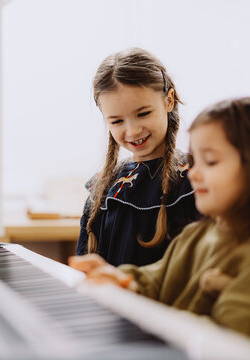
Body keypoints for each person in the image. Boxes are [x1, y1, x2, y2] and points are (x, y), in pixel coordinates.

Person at [70, 97, 250, 359]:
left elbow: (234, 345)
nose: (193, 173)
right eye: (195, 160)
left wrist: (153, 320)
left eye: (212, 162)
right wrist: (127, 282)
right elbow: (157, 280)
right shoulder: (199, 235)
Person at [76, 47, 200, 267]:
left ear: (169, 100)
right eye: (116, 121)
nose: (132, 131)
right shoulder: (101, 190)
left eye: (143, 114)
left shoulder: (198, 179)